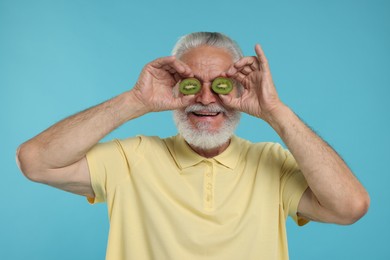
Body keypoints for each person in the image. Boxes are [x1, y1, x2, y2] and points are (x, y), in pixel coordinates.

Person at [16, 32, 370, 259]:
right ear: (173, 87)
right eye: (191, 84)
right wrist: (136, 100)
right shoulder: (131, 159)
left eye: (220, 85)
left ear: (242, 89)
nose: (204, 99)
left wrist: (276, 113)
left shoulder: (271, 163)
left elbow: (350, 206)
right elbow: (35, 161)